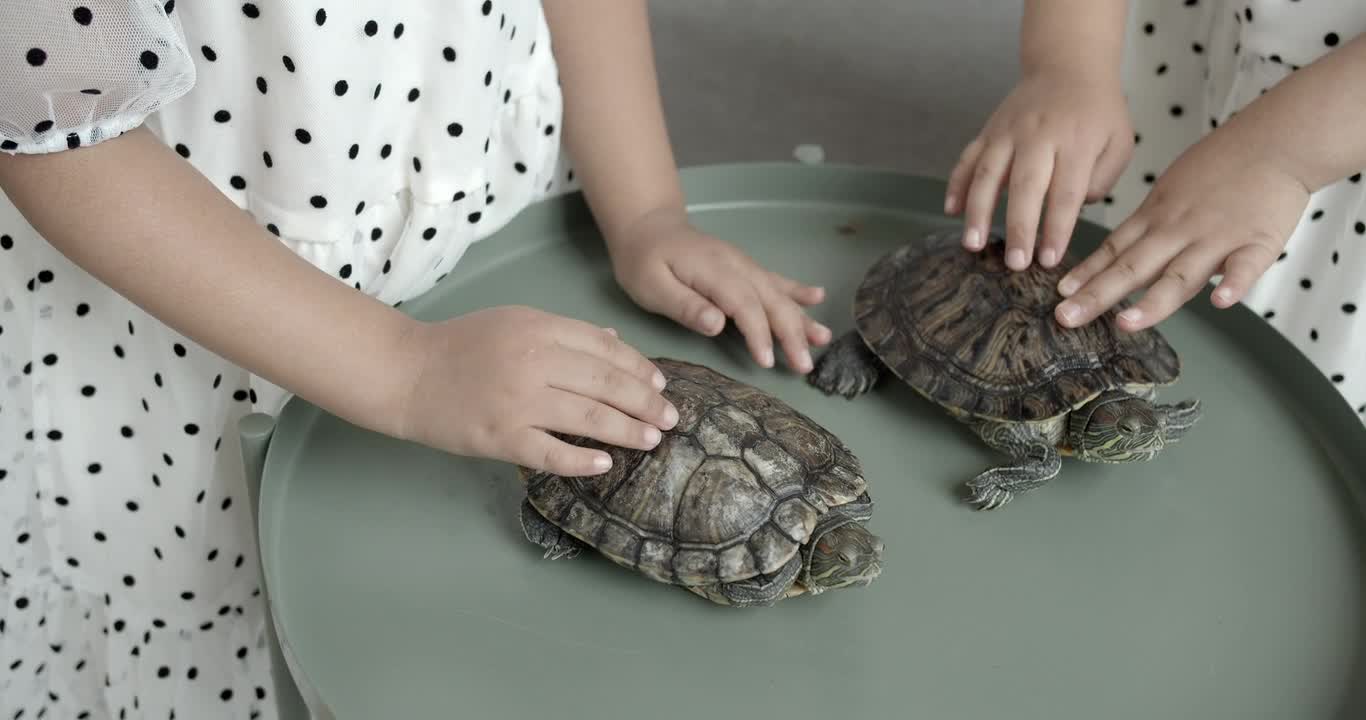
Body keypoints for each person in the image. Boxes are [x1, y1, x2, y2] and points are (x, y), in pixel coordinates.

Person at [0, 2, 831, 717]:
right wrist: (406, 368)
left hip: (478, 227)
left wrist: (647, 208)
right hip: (194, 306)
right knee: (249, 627)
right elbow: (55, 125)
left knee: (476, 630)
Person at [944, 0, 1365, 420]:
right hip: (1193, 52)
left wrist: (1280, 157)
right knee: (1135, 258)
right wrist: (1067, 62)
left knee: (1306, 397)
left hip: (1341, 131)